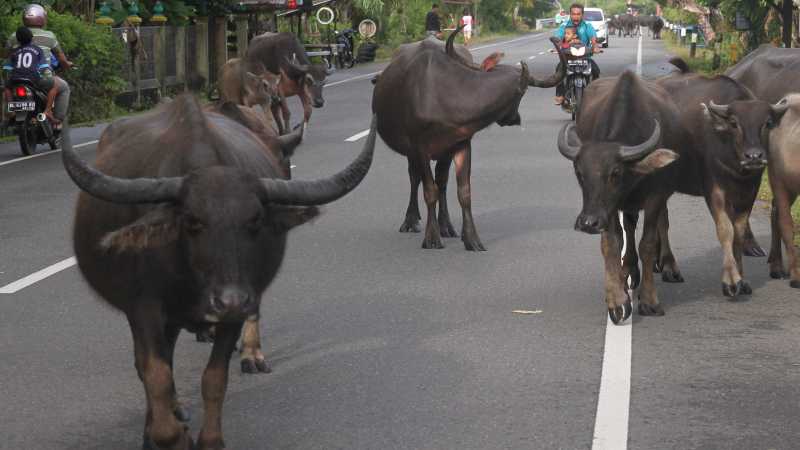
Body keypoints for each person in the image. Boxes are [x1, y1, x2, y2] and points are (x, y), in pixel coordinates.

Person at [6, 4, 73, 128]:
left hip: (17, 78)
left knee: (7, 88)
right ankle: (55, 120)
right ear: (42, 18)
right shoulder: (49, 37)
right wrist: (66, 65)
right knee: (62, 87)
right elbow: (60, 59)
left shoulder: (13, 37)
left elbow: (7, 57)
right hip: (38, 78)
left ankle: (9, 111)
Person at [3, 26, 58, 121]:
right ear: (31, 38)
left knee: (7, 88)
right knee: (54, 86)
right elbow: (44, 67)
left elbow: (7, 68)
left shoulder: (15, 52)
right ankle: (48, 111)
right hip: (33, 79)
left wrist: (8, 78)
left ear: (18, 40)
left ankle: (11, 109)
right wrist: (45, 73)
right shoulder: (37, 50)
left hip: (16, 80)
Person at [552, 3, 601, 106]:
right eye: (573, 14)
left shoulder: (587, 26)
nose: (576, 16)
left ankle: (595, 94)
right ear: (570, 14)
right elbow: (558, 38)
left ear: (582, 15)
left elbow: (593, 38)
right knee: (558, 70)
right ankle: (560, 94)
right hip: (568, 58)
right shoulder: (564, 26)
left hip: (585, 58)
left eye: (578, 14)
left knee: (596, 70)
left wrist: (595, 46)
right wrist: (557, 46)